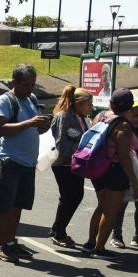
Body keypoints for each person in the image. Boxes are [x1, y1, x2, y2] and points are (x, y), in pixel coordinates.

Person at [0, 64, 51, 262]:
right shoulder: (5, 100)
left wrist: (41, 126)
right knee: (5, 207)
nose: (30, 89)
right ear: (14, 83)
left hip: (27, 162)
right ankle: (0, 245)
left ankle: (10, 243)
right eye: (26, 85)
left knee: (18, 206)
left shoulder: (31, 99)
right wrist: (30, 123)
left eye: (33, 84)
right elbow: (2, 128)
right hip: (9, 159)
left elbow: (33, 129)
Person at [79, 88, 138, 259]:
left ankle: (90, 243)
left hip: (98, 168)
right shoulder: (123, 125)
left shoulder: (101, 117)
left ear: (111, 104)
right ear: (130, 106)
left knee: (101, 206)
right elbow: (123, 156)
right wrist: (135, 182)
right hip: (114, 170)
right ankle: (99, 249)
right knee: (110, 211)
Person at [48, 85, 93, 247]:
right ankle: (59, 233)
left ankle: (57, 229)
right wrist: (81, 152)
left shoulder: (81, 118)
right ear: (78, 104)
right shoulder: (65, 116)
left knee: (72, 196)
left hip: (75, 164)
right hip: (64, 163)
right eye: (88, 105)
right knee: (71, 196)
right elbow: (62, 144)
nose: (91, 107)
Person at [111, 97, 138, 250]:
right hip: (126, 172)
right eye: (132, 108)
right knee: (120, 205)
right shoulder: (123, 126)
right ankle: (116, 236)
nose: (136, 111)